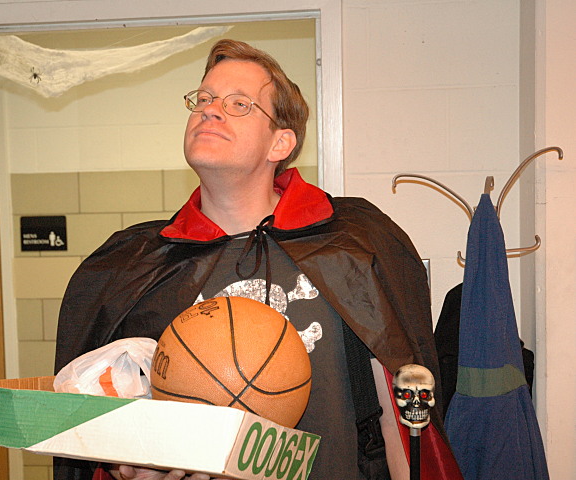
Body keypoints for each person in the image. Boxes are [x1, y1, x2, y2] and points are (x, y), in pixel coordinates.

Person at [55, 39, 462, 480]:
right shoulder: (140, 265)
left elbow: (400, 423)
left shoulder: (352, 244)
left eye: (238, 104)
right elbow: (121, 428)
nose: (210, 111)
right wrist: (128, 465)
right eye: (204, 98)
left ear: (280, 143)